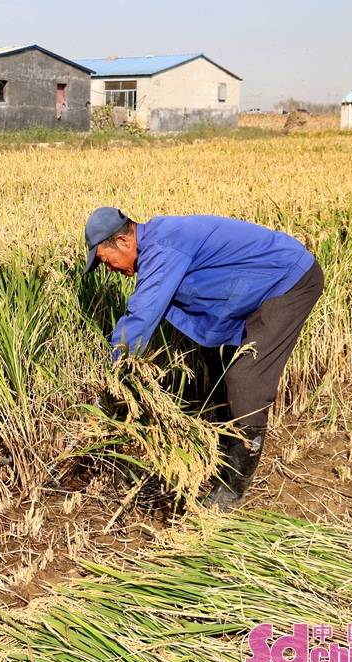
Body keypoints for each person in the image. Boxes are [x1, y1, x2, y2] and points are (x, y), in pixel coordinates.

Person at [84, 207, 323, 511]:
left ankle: (231, 489)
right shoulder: (158, 244)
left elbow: (142, 315)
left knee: (246, 380)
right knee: (219, 366)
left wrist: (114, 371)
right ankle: (223, 450)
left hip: (290, 281)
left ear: (122, 241)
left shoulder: (163, 247)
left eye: (106, 261)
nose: (109, 269)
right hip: (259, 288)